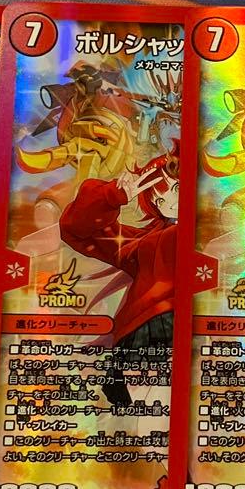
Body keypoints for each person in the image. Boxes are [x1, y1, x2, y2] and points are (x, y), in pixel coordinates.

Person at [59, 147, 178, 407]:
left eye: (180, 187)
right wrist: (111, 196)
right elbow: (75, 230)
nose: (173, 201)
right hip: (146, 334)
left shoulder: (210, 233)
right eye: (162, 198)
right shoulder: (144, 245)